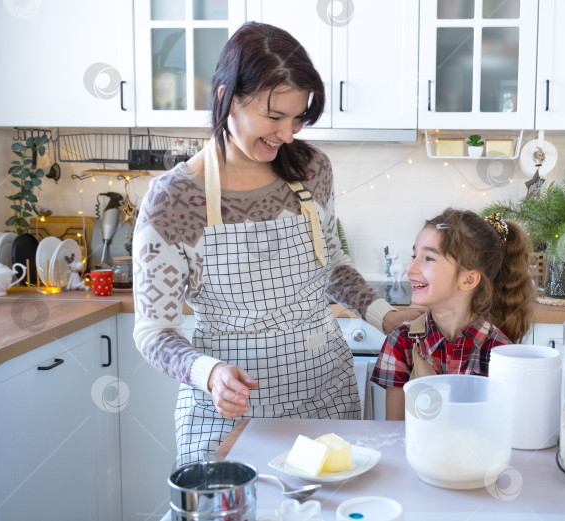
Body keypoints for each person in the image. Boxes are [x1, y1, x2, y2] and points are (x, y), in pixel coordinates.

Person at [132, 22, 420, 464]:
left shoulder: (312, 170)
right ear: (226, 96)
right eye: (273, 116)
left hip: (326, 398)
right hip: (231, 410)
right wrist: (209, 375)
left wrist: (383, 314)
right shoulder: (174, 200)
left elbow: (332, 264)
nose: (288, 134)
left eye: (298, 117)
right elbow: (154, 333)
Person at [370, 208, 536, 420]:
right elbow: (394, 432)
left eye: (428, 258)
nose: (410, 268)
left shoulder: (499, 353)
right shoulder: (401, 341)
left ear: (468, 280)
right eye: (414, 255)